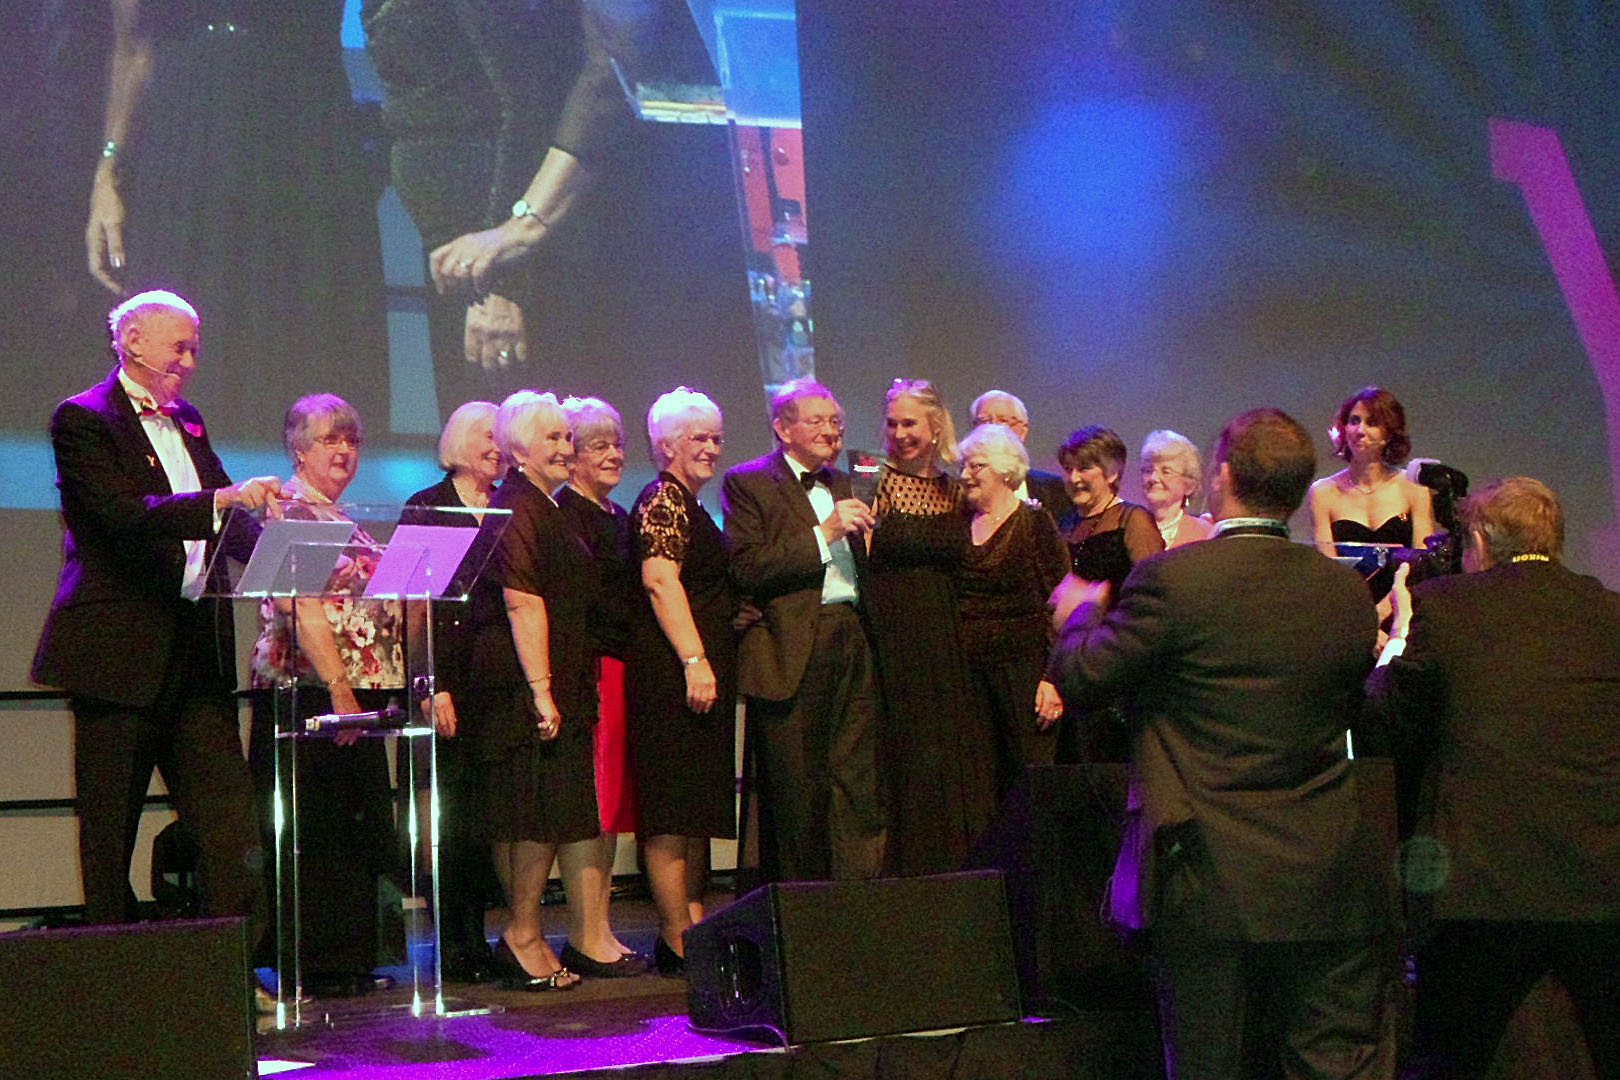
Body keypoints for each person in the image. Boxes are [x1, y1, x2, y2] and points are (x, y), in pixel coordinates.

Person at [1049, 408, 1387, 1080]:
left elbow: (1084, 678)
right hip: (1326, 870)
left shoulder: (1176, 580)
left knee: (1208, 1063)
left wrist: (1080, 612)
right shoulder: (1344, 592)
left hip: (1206, 873)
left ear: (1221, 477)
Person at [31, 290, 280, 938]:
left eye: (195, 349)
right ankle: (112, 976)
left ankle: (232, 973)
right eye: (180, 347)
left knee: (232, 829)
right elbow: (120, 515)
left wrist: (284, 546)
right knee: (109, 831)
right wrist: (222, 501)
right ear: (132, 341)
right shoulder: (83, 419)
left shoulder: (188, 420)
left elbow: (225, 514)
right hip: (118, 656)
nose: (190, 362)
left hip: (194, 655)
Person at [1365, 477, 1620, 1079]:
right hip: (1601, 879)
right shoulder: (1610, 612)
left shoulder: (1445, 606)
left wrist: (1397, 637)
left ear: (1478, 538)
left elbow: (1382, 719)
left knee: (1447, 1059)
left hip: (1481, 882)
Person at [84, 0, 387, 435]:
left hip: (300, 132)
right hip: (185, 135)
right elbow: (132, 43)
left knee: (300, 333)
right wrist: (108, 172)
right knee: (178, 324)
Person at [362, 0, 643, 410]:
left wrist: (506, 280)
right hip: (458, 256)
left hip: (511, 263)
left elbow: (530, 99)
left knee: (534, 433)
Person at [247, 394, 402, 997]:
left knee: (354, 828)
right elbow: (301, 607)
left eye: (352, 440)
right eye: (329, 440)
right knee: (316, 832)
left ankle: (348, 962)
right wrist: (340, 690)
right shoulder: (289, 513)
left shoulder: (342, 517)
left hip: (351, 693)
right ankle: (313, 964)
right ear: (298, 449)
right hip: (307, 693)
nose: (343, 451)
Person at [460, 390, 603, 991]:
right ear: (519, 450)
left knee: (544, 814)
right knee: (531, 814)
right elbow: (522, 601)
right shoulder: (518, 505)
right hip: (523, 685)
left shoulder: (546, 504)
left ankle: (527, 932)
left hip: (552, 677)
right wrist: (543, 691)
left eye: (568, 437)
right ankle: (521, 934)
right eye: (554, 438)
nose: (567, 447)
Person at [722, 377, 886, 882]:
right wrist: (825, 533)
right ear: (782, 428)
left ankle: (856, 896)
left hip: (851, 634)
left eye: (835, 421)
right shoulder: (749, 483)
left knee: (856, 780)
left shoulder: (849, 482)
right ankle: (803, 901)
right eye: (816, 421)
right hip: (792, 645)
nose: (831, 431)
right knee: (797, 787)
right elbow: (747, 567)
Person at [627, 388, 739, 973]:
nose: (712, 448)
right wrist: (695, 659)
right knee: (672, 808)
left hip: (699, 678)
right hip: (673, 676)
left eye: (716, 438)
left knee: (693, 807)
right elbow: (660, 581)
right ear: (667, 444)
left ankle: (691, 923)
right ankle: (675, 936)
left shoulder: (690, 503)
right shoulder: (662, 499)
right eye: (699, 438)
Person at [864, 380, 985, 875]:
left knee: (948, 752)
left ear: (936, 426)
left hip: (947, 636)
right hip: (892, 635)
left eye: (909, 423)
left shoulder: (957, 489)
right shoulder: (871, 479)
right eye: (892, 423)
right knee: (902, 754)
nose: (899, 434)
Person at [403, 400, 504, 982]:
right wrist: (429, 683)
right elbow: (416, 609)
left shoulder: (506, 506)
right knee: (450, 819)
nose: (497, 446)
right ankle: (452, 943)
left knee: (485, 819)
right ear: (461, 441)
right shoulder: (430, 506)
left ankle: (478, 937)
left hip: (495, 687)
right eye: (488, 436)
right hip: (448, 684)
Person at [553, 395, 644, 978]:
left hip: (622, 666)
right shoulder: (566, 514)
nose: (613, 454)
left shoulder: (617, 514)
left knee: (610, 806)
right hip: (590, 670)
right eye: (598, 446)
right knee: (594, 804)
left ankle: (600, 927)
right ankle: (586, 935)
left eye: (617, 444)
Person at [956, 424, 1068, 802]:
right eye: (964, 466)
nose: (966, 474)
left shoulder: (1034, 523)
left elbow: (1061, 603)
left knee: (1029, 784)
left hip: (1024, 674)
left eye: (976, 466)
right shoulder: (959, 524)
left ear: (1005, 470)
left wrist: (1053, 678)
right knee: (981, 786)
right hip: (970, 677)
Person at [1055, 425, 1164, 762]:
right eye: (1069, 468)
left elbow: (1154, 593)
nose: (1074, 478)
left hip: (1114, 668)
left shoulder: (1132, 519)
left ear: (1113, 472)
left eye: (1085, 468)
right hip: (1071, 664)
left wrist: (1098, 602)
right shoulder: (1065, 524)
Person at [1307, 386, 1434, 601]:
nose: (1360, 430)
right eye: (1354, 421)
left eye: (1372, 423)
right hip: (1346, 605)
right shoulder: (1322, 492)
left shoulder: (1414, 487)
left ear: (1390, 432)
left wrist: (1387, 609)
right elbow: (1328, 571)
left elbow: (1421, 563)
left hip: (1402, 605)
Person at [970, 389, 1068, 521]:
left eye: (1003, 421)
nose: (994, 429)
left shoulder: (1051, 487)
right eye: (984, 421)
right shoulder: (964, 490)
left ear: (1022, 431)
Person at [1139, 430, 1213, 549]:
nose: (1153, 478)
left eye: (1166, 471)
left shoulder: (1205, 533)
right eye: (1148, 470)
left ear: (1189, 486)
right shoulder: (1126, 529)